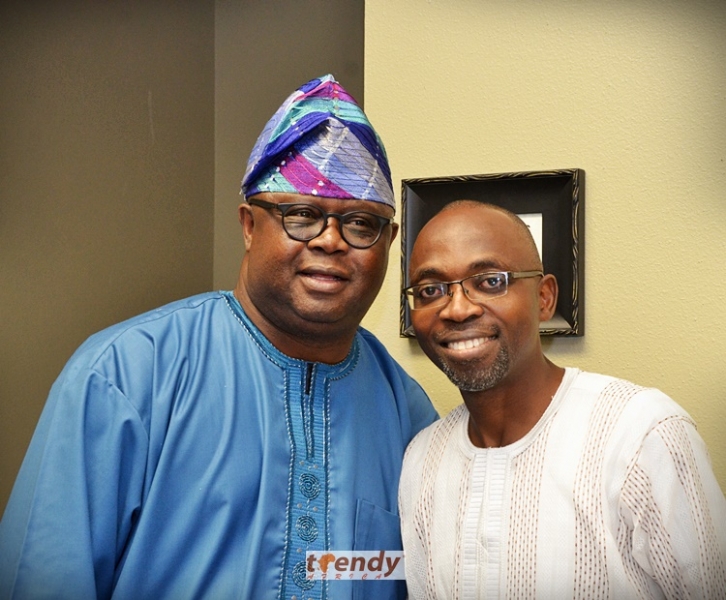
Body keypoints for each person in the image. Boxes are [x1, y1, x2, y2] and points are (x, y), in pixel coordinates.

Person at [0, 74, 438, 600]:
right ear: (249, 225)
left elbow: (394, 573)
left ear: (389, 243)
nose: (330, 241)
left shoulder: (407, 414)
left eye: (362, 224)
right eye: (301, 215)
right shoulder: (125, 376)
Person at [398, 200, 726, 599]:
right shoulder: (422, 459)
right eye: (431, 290)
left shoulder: (642, 436)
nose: (458, 308)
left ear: (544, 298)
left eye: (490, 281)